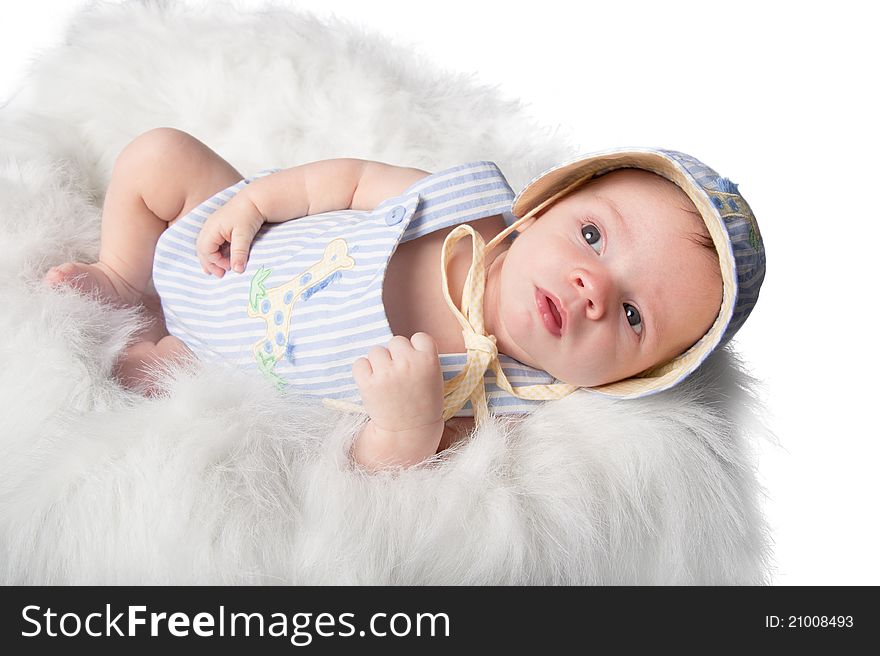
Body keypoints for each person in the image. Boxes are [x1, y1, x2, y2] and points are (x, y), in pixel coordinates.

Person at [44, 128, 765, 470]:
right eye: (592, 236)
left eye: (634, 316)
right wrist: (258, 201)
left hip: (217, 357)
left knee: (137, 384)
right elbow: (350, 182)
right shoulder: (468, 206)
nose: (592, 289)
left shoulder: (502, 395)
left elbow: (376, 467)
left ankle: (150, 335)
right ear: (547, 203)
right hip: (229, 247)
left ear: (629, 379)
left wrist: (407, 423)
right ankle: (121, 274)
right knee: (158, 157)